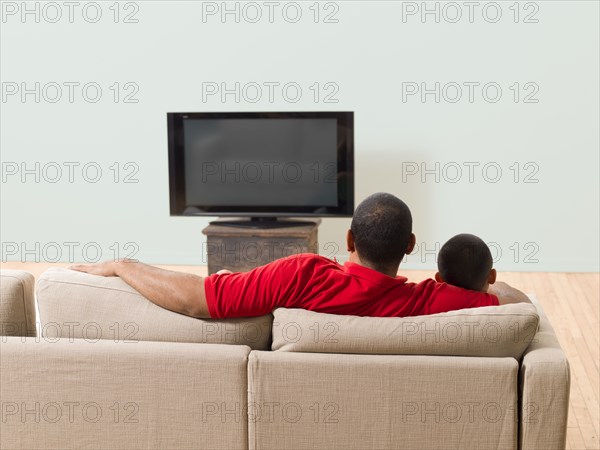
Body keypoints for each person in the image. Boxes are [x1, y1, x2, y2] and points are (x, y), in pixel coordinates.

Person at [70, 193, 530, 319]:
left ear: (349, 240)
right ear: (410, 247)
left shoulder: (302, 274)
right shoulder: (430, 303)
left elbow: (195, 300)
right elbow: (514, 300)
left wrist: (121, 264)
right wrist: (494, 286)